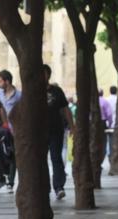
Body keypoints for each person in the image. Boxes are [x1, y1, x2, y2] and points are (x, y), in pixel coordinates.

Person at [44, 64, 74, 200]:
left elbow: (65, 109)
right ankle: (44, 188)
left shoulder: (56, 91)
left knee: (56, 158)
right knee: (40, 160)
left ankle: (59, 187)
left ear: (48, 75)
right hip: (39, 133)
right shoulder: (32, 91)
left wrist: (72, 126)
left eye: (44, 74)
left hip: (56, 130)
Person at [0, 69, 20, 193]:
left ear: (7, 81)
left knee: (12, 154)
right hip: (0, 129)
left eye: (0, 81)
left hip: (14, 129)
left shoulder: (18, 95)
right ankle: (1, 178)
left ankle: (10, 181)